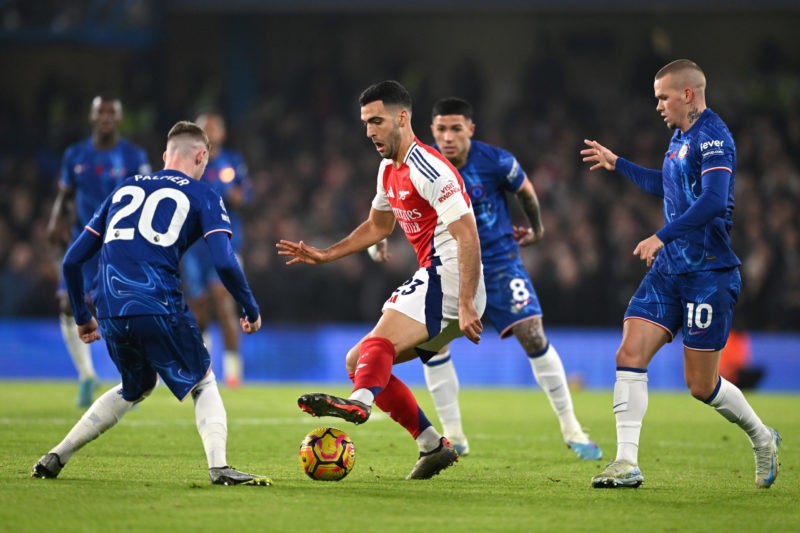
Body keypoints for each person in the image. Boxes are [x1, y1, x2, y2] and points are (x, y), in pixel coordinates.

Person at [32, 121, 270, 487]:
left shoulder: (124, 188)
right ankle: (220, 467)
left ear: (165, 155)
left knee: (136, 386)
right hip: (158, 302)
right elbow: (224, 261)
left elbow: (71, 260)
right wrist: (249, 307)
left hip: (110, 307)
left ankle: (56, 454)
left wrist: (83, 316)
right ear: (201, 157)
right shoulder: (203, 193)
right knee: (203, 381)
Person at [580, 59, 780, 489]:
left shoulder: (714, 139)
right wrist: (621, 164)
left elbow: (712, 201)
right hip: (670, 270)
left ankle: (763, 437)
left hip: (708, 273)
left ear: (688, 95)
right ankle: (626, 462)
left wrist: (661, 235)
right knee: (629, 353)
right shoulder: (679, 137)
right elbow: (665, 185)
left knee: (700, 385)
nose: (658, 106)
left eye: (663, 97)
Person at [367, 97, 601, 460]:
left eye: (456, 128)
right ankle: (455, 436)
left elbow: (526, 192)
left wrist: (536, 229)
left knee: (532, 333)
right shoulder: (421, 163)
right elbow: (398, 203)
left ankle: (573, 429)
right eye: (441, 129)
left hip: (500, 264)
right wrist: (380, 239)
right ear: (431, 129)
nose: (448, 136)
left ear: (470, 130)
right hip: (448, 267)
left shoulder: (496, 161)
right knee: (433, 347)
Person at [276, 80, 486, 480]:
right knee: (360, 362)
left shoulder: (429, 167)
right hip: (438, 277)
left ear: (402, 117)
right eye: (365, 123)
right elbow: (378, 225)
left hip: (452, 275)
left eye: (377, 121)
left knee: (377, 344)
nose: (369, 131)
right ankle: (431, 445)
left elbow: (467, 234)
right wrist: (325, 254)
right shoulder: (389, 169)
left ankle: (359, 404)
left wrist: (465, 301)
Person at [46, 95, 151, 407]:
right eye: (100, 112)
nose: (105, 117)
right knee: (68, 303)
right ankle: (87, 375)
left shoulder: (133, 155)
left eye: (111, 112)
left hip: (121, 243)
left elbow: (148, 196)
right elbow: (65, 195)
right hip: (85, 239)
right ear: (92, 117)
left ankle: (137, 372)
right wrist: (55, 219)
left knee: (121, 308)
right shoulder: (75, 154)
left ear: (119, 119)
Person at [181, 111, 251, 388]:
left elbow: (245, 195)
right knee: (198, 307)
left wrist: (237, 195)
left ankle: (234, 373)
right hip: (194, 246)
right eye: (203, 130)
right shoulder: (187, 164)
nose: (208, 135)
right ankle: (204, 368)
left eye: (213, 129)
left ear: (222, 133)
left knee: (223, 303)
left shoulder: (233, 162)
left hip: (226, 243)